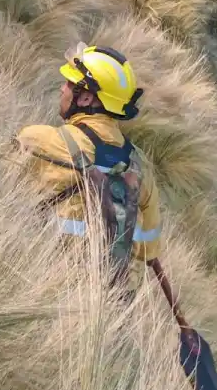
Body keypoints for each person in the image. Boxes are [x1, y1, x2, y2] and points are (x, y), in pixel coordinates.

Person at [13, 44, 162, 288]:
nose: (62, 89)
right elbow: (147, 249)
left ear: (85, 97)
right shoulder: (140, 167)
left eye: (70, 84)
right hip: (111, 299)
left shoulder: (37, 140)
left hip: (41, 281)